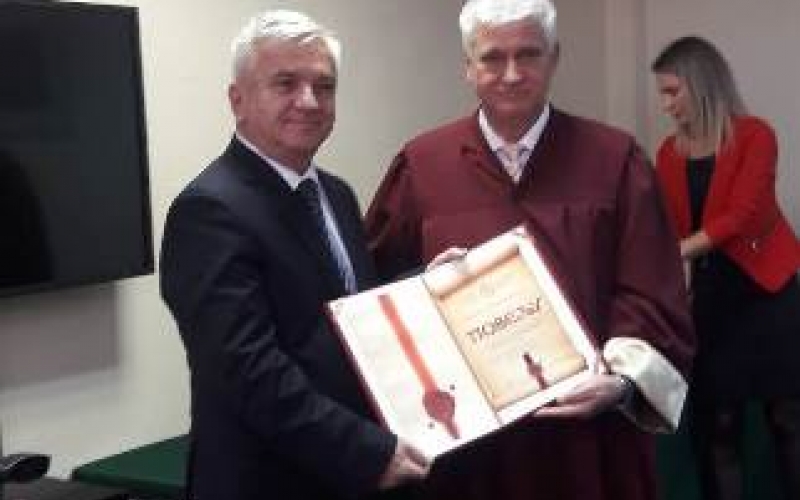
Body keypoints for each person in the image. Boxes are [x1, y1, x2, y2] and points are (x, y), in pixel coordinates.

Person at [365, 1, 695, 499]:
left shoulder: (614, 160)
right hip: (468, 452)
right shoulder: (422, 166)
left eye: (529, 54)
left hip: (586, 443)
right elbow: (375, 294)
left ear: (554, 57)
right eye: (492, 58)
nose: (512, 74)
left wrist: (622, 379)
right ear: (468, 65)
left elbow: (652, 290)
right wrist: (422, 287)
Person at [159, 10, 429, 500]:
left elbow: (346, 315)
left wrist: (431, 285)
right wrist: (366, 453)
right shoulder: (208, 210)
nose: (309, 101)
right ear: (237, 99)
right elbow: (249, 373)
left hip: (344, 477)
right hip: (268, 481)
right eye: (285, 83)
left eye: (324, 87)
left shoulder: (336, 195)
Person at [652, 35, 800, 500]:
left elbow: (743, 215)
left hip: (770, 294)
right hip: (713, 301)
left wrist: (677, 251)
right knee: (719, 425)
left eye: (672, 91)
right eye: (662, 93)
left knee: (786, 418)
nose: (666, 104)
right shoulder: (668, 154)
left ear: (701, 83)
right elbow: (672, 224)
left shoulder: (756, 135)